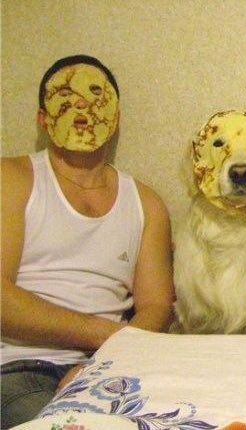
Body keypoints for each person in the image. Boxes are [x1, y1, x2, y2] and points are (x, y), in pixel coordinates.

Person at [1, 55, 175, 428]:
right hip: (21, 367)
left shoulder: (147, 203)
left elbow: (158, 305)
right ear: (43, 118)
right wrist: (111, 337)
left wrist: (104, 362)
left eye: (96, 94)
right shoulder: (11, 179)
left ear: (116, 116)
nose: (82, 105)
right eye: (65, 95)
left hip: (116, 366)